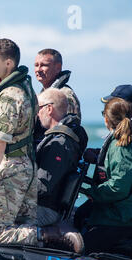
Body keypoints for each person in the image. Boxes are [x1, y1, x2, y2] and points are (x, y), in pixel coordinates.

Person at [0, 38, 83, 253]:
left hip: (10, 168)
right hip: (25, 166)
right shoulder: (26, 87)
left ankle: (53, 234)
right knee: (17, 223)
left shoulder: (9, 95)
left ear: (8, 64)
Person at [75, 98, 132, 254]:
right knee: (80, 215)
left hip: (119, 219)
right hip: (122, 214)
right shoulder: (131, 140)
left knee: (79, 249)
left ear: (107, 119)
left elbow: (119, 186)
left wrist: (91, 193)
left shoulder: (122, 145)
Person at [35, 88, 88, 226]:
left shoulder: (59, 143)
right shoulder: (63, 137)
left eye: (38, 108)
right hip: (44, 205)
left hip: (45, 210)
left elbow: (42, 187)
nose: (37, 113)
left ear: (49, 109)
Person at [34, 49, 81, 145]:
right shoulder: (44, 93)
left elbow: (69, 131)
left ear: (58, 67)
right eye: (36, 65)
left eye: (44, 65)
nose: (38, 69)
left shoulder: (64, 95)